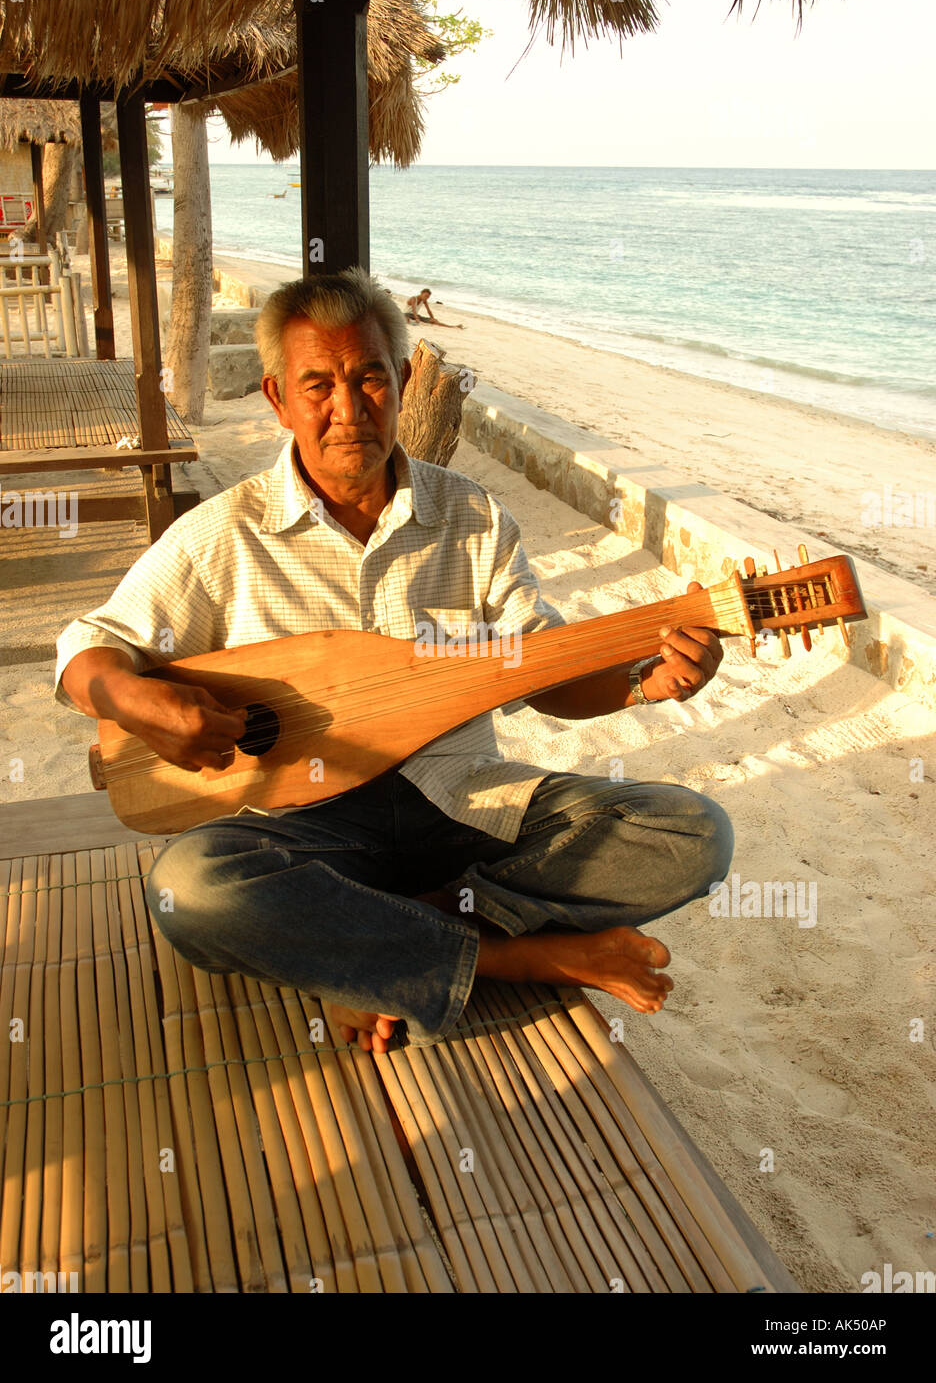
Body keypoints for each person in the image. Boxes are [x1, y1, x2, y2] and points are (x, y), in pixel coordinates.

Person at [55, 268, 732, 1054]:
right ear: (277, 398)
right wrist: (129, 698)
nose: (348, 410)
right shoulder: (223, 535)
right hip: (309, 834)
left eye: (370, 377)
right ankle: (515, 956)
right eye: (319, 386)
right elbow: (85, 650)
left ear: (405, 381)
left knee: (690, 832)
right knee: (190, 888)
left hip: (465, 809)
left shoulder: (471, 515)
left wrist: (646, 679)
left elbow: (543, 671)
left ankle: (365, 947)